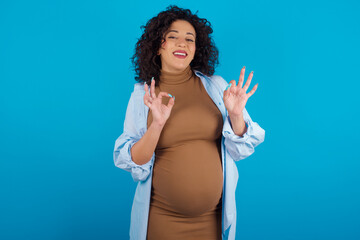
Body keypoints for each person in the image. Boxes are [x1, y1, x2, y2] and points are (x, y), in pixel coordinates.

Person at [113, 5, 265, 240]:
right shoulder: (143, 96)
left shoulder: (216, 86)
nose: (182, 43)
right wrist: (157, 125)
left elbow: (240, 150)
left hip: (209, 222)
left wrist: (235, 115)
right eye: (172, 37)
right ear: (157, 46)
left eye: (189, 39)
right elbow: (134, 162)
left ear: (197, 49)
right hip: (163, 221)